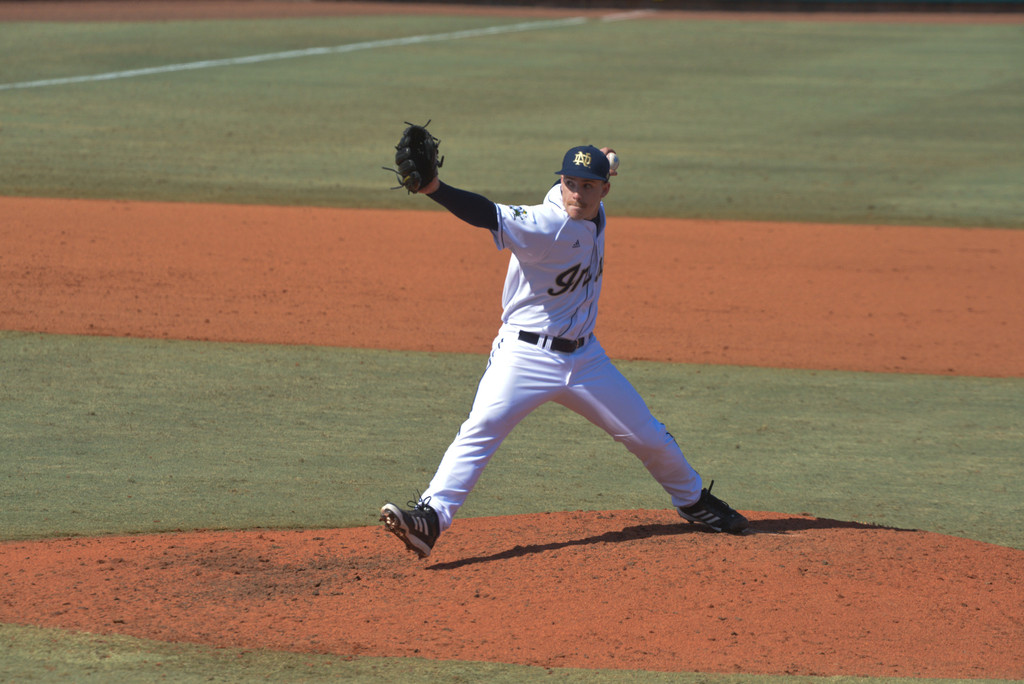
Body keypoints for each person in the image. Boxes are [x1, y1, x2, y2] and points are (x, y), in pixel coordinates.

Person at [380, 144, 747, 559]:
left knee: (650, 437)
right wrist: (434, 188)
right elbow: (486, 213)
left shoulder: (592, 208)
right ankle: (431, 519)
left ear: (606, 189)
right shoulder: (543, 223)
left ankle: (694, 501)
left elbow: (589, 180)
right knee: (480, 428)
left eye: (587, 186)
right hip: (525, 356)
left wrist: (599, 157)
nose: (577, 193)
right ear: (559, 183)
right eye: (569, 183)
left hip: (587, 360)